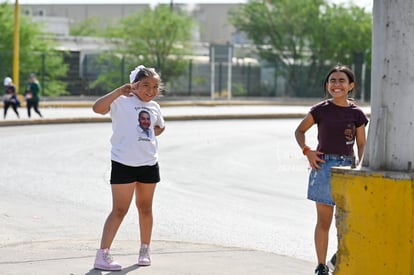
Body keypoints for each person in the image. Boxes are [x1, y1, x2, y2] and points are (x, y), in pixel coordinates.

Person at [294, 65, 368, 275]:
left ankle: (339, 256)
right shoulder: (320, 110)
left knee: (348, 221)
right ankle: (321, 265)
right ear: (327, 86)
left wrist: (361, 166)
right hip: (324, 167)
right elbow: (299, 131)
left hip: (348, 169)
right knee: (324, 221)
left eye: (342, 81)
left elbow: (362, 144)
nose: (337, 84)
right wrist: (307, 151)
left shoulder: (357, 114)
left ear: (351, 86)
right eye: (332, 81)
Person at [92, 65, 165, 271]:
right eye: (145, 85)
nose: (150, 90)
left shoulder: (155, 107)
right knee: (120, 209)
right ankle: (102, 255)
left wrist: (149, 132)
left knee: (145, 208)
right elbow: (97, 108)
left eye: (155, 86)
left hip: (149, 164)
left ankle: (144, 249)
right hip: (123, 163)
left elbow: (159, 127)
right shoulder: (120, 101)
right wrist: (118, 91)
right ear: (134, 85)